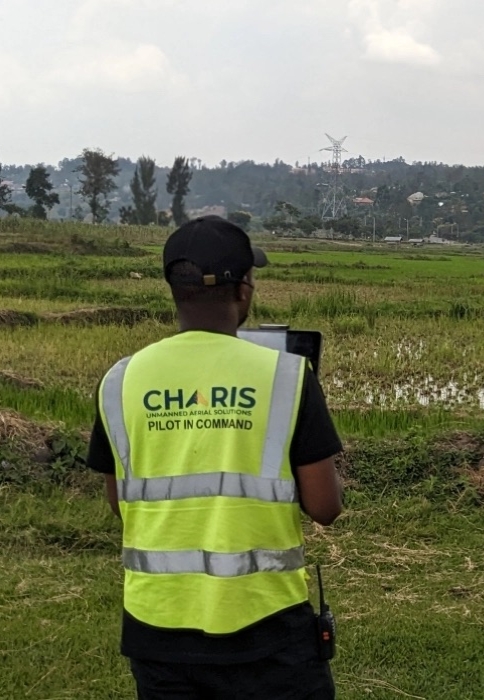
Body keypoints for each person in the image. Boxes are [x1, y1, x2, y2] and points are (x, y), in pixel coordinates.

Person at [86, 215, 345, 699]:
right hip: (266, 624)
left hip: (157, 627)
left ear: (174, 290)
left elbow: (121, 502)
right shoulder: (287, 376)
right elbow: (325, 507)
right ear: (244, 289)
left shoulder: (120, 379)